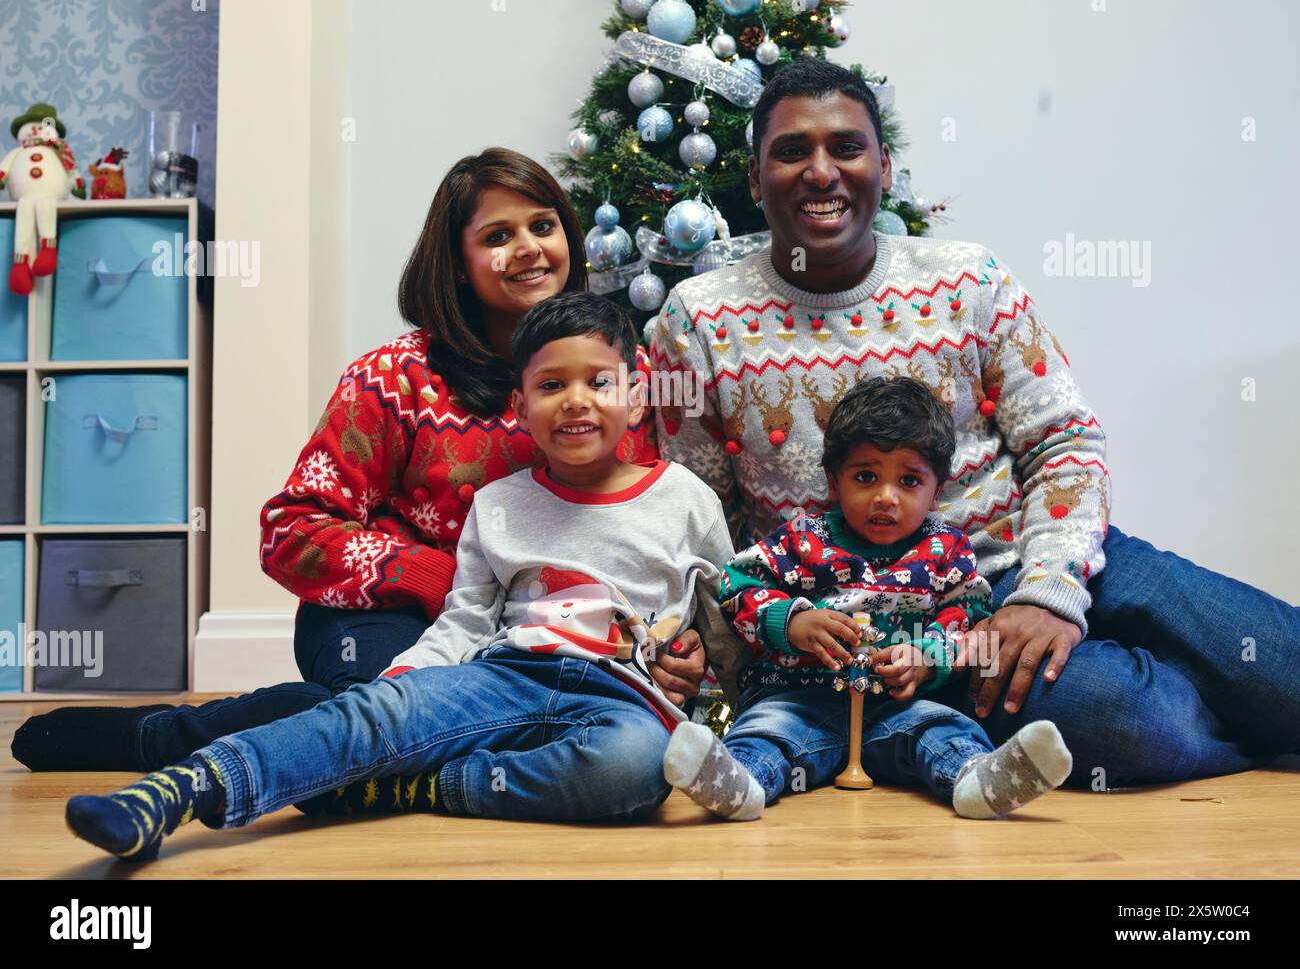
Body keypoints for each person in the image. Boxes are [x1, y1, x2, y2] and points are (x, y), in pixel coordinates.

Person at [653, 57, 1299, 786]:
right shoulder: (695, 321)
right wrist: (757, 660)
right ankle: (1255, 738)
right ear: (753, 178)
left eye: (847, 147)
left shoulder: (970, 279)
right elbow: (702, 519)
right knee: (1128, 720)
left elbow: (1064, 443)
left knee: (1276, 660)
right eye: (792, 151)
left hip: (1038, 550)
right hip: (918, 636)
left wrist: (1049, 592)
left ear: (885, 167)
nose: (821, 171)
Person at [15, 149, 706, 775]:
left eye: (543, 226)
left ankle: (307, 744)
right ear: (457, 263)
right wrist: (431, 575)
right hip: (389, 618)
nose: (528, 249)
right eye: (498, 237)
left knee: (524, 730)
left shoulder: (622, 376)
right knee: (395, 721)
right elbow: (291, 532)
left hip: (547, 629)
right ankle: (167, 739)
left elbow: (644, 521)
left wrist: (670, 645)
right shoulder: (393, 377)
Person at [65, 293, 735, 861]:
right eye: (551, 386)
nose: (575, 401)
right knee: (370, 713)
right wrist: (400, 692)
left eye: (599, 381)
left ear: (637, 394)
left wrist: (710, 680)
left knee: (635, 767)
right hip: (504, 674)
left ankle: (418, 786)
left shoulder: (684, 499)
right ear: (520, 405)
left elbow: (721, 615)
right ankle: (182, 788)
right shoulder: (501, 504)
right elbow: (467, 619)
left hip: (621, 697)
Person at [666, 376, 1072, 821]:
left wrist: (923, 659)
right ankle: (739, 784)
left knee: (943, 728)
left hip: (896, 707)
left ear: (937, 491)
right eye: (865, 476)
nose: (885, 496)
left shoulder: (946, 551)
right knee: (766, 733)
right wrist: (792, 622)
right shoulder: (803, 539)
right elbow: (736, 586)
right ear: (833, 481)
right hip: (799, 699)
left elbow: (970, 626)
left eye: (909, 481)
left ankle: (977, 780)